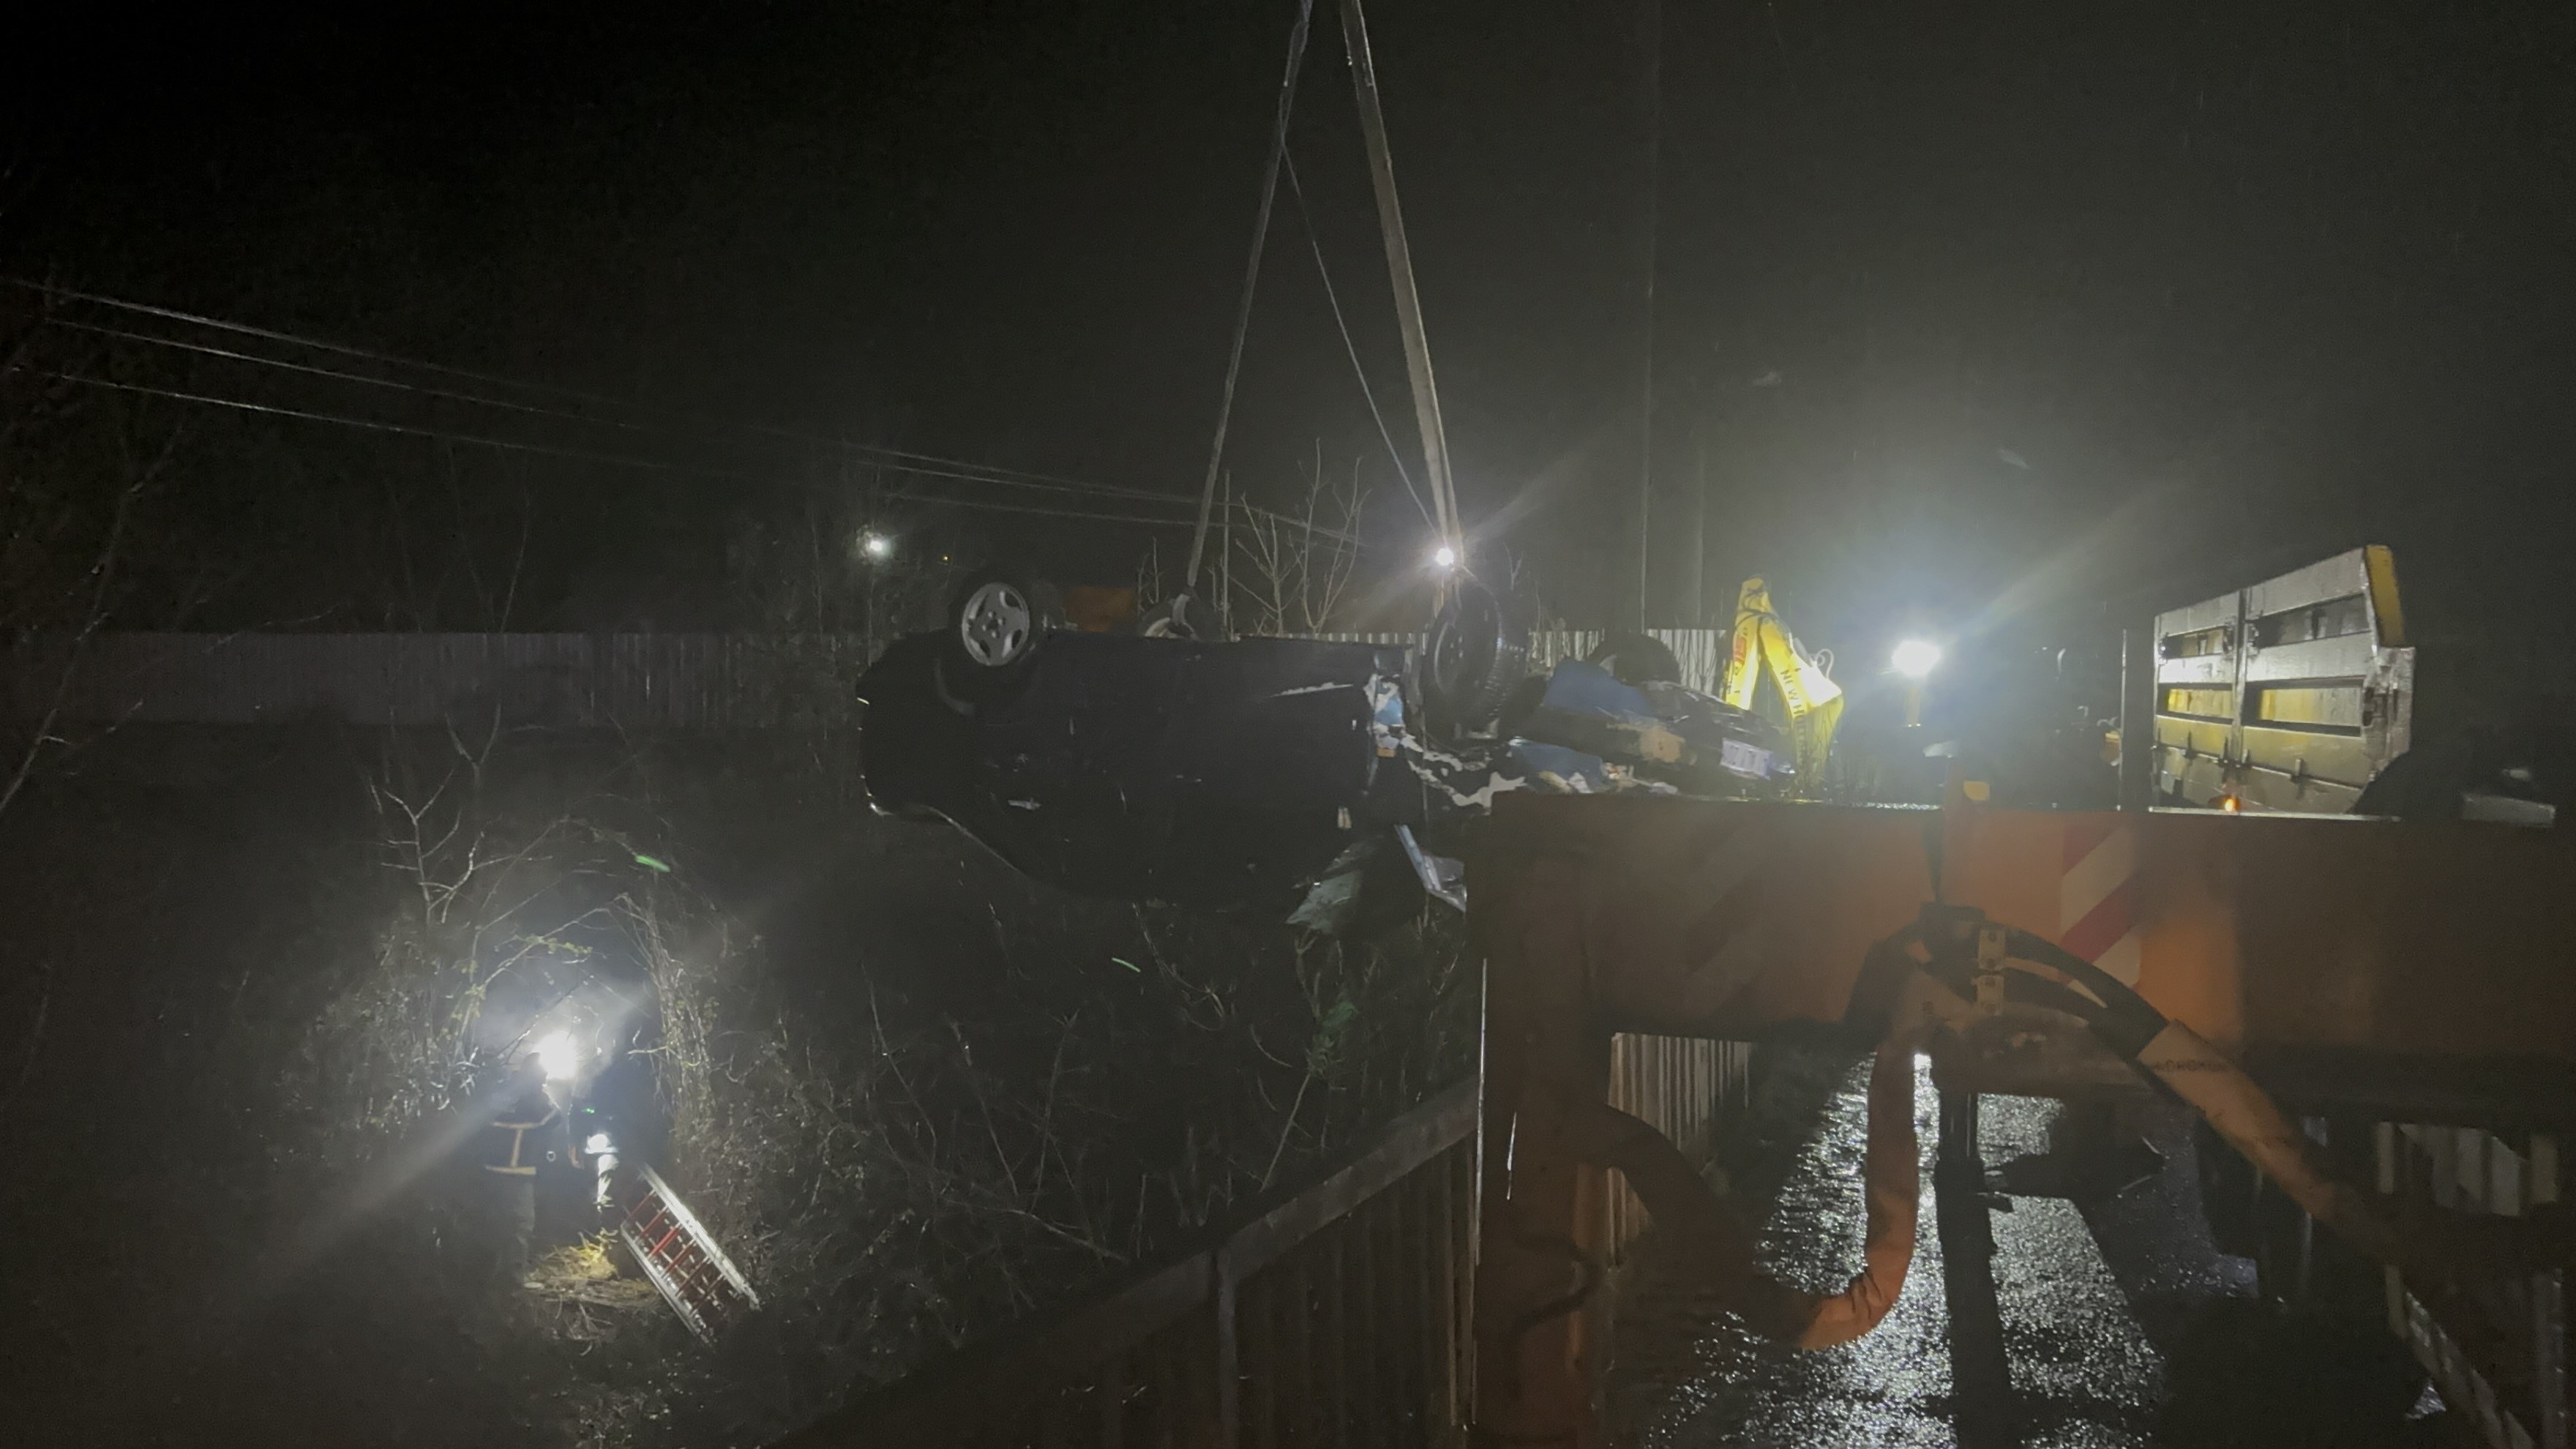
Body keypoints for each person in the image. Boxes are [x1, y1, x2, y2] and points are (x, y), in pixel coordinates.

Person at [475, 1055, 562, 1281]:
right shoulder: (535, 1100)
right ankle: (513, 1278)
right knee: (520, 1225)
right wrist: (544, 1094)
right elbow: (554, 1117)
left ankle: (488, 1274)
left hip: (491, 1169)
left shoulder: (500, 1093)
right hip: (518, 1172)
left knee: (495, 1223)